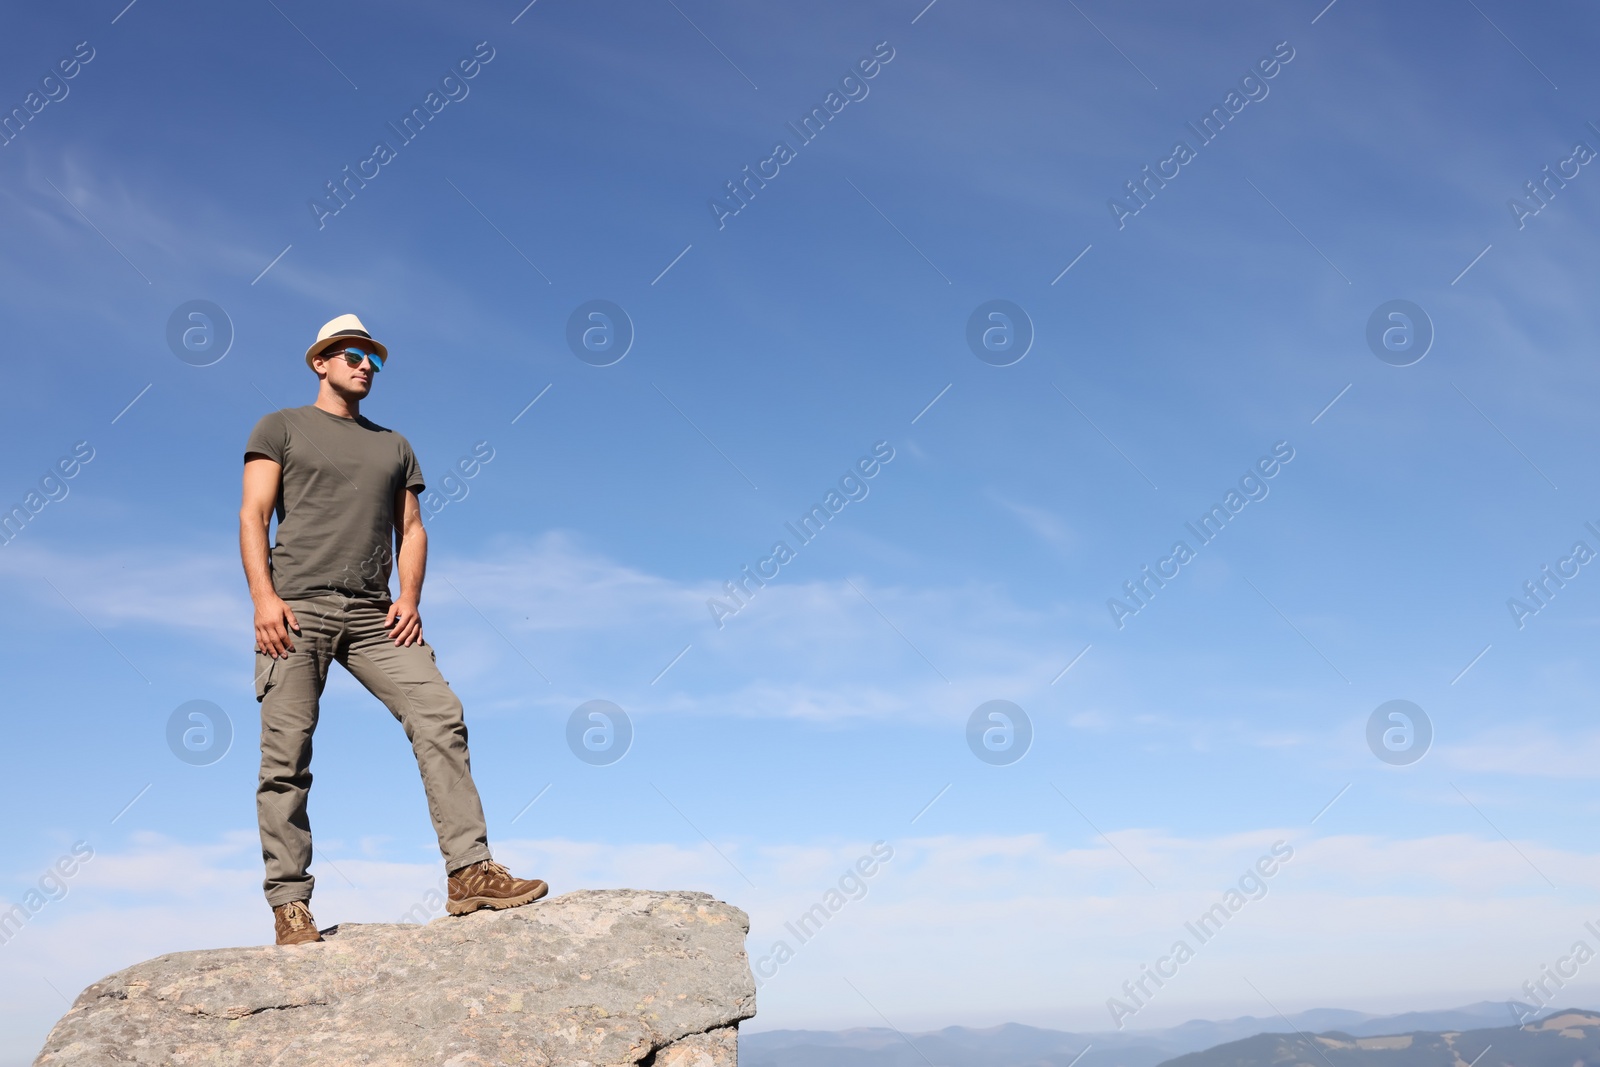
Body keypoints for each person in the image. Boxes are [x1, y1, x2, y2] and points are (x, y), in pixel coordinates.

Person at [240, 313, 547, 946]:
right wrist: (264, 598)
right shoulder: (282, 427)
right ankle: (290, 906)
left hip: (375, 616)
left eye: (372, 359)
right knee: (286, 759)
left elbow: (414, 529)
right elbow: (253, 514)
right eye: (350, 354)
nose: (363, 365)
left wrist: (409, 597)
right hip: (296, 610)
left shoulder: (393, 444)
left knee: (440, 711)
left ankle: (469, 872)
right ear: (320, 361)